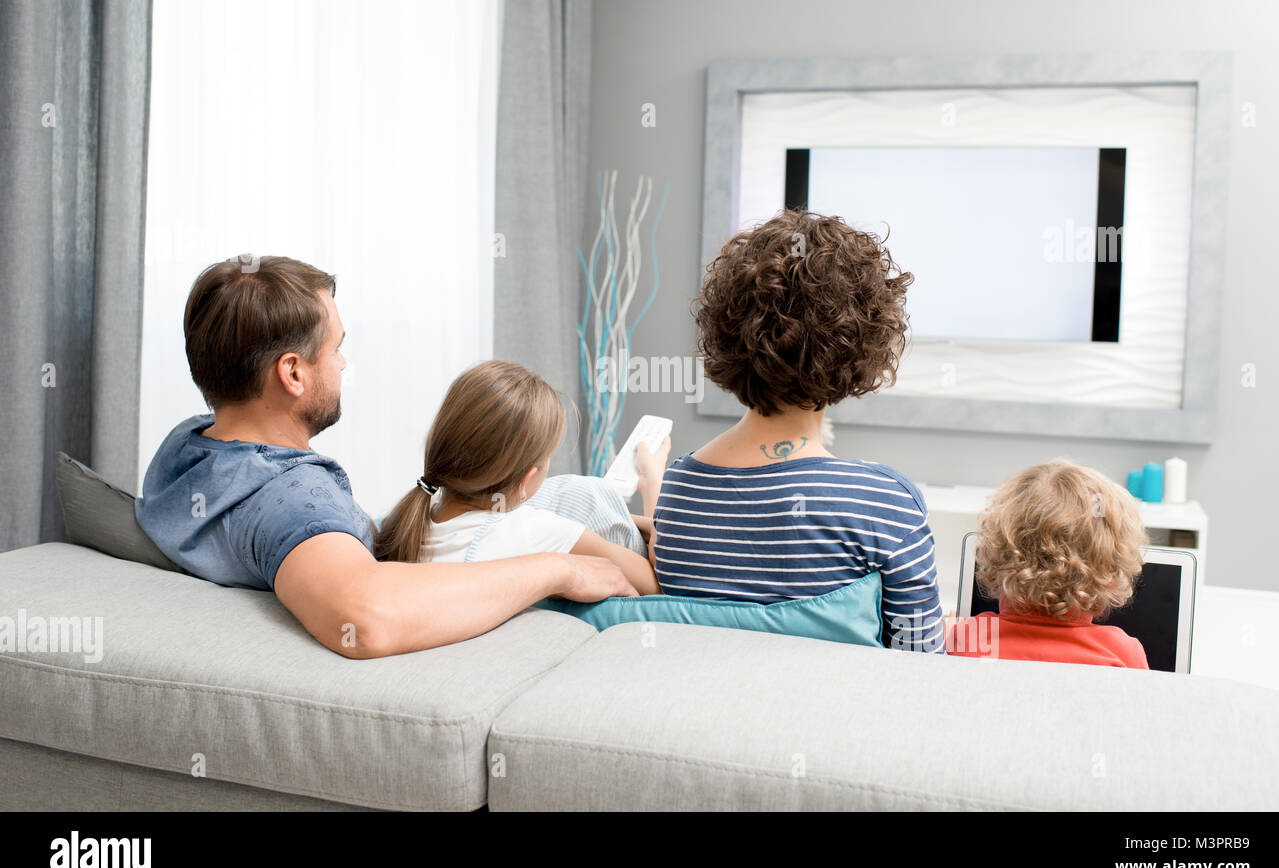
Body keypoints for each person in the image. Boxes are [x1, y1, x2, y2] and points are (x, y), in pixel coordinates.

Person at [135, 256, 634, 659]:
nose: (343, 363)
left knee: (574, 495)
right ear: (293, 373)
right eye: (335, 348)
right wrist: (558, 570)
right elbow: (364, 618)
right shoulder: (289, 499)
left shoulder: (189, 446)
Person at [639, 209, 945, 652]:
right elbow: (924, 668)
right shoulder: (884, 503)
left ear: (724, 331)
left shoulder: (679, 492)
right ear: (861, 349)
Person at [373, 360, 659, 595]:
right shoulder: (540, 533)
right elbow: (661, 585)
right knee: (589, 493)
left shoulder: (405, 524)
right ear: (526, 480)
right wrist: (655, 494)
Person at [946, 460, 1149, 668]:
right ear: (1111, 567)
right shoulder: (1122, 653)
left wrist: (951, 637)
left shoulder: (969, 637)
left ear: (998, 553)